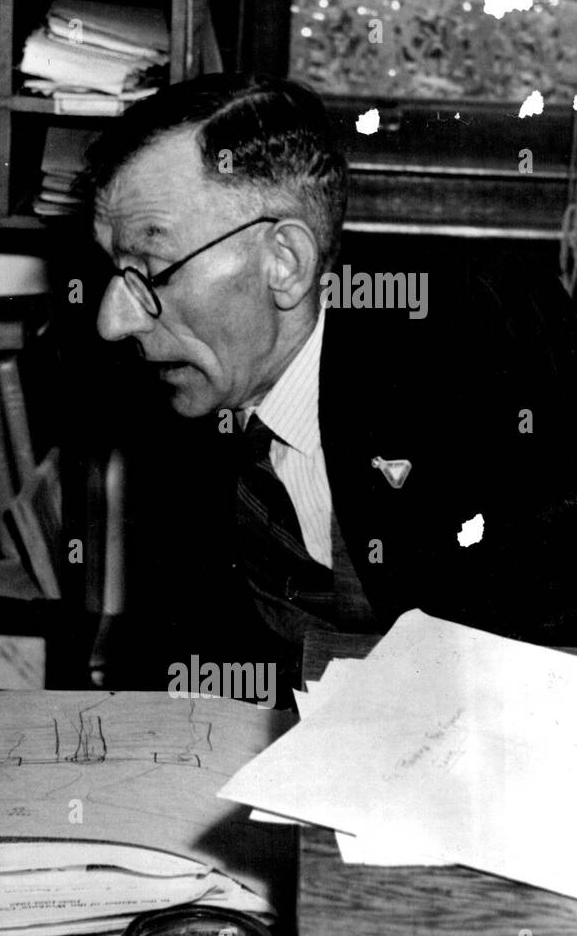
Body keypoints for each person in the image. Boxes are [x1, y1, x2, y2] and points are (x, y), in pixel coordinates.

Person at [89, 73, 577, 660]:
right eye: (115, 271)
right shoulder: (174, 408)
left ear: (286, 263)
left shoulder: (485, 356)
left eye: (151, 269)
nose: (112, 322)